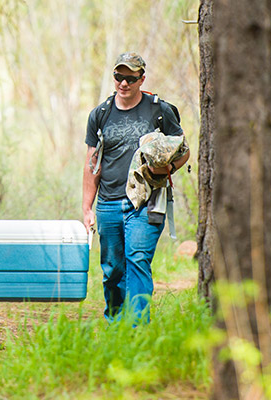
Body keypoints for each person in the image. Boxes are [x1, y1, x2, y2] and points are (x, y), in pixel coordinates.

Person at [82, 52, 190, 323]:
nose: (124, 83)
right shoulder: (101, 114)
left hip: (147, 202)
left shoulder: (159, 111)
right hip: (108, 203)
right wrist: (86, 207)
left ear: (142, 79)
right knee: (113, 270)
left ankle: (138, 328)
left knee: (137, 260)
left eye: (130, 78)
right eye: (119, 77)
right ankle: (116, 325)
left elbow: (184, 150)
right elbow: (91, 164)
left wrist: (167, 169)